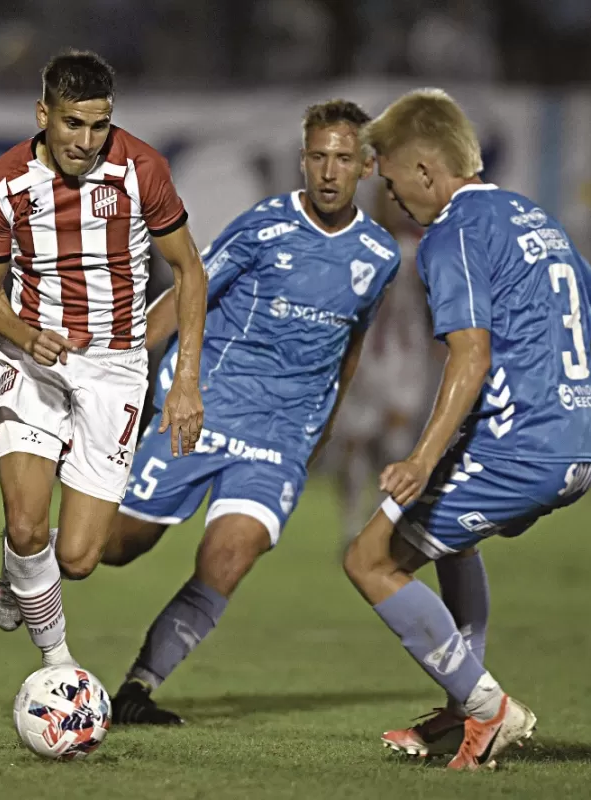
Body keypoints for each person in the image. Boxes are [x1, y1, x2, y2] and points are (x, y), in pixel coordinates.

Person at [344, 88, 591, 770]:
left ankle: (485, 705)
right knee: (453, 547)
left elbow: (471, 357)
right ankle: (462, 700)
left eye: (388, 177)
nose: (389, 193)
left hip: (520, 443)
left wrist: (419, 459)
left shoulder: (452, 235)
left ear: (424, 171)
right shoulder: (530, 215)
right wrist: (570, 398)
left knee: (370, 559)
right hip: (578, 440)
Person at [100, 99, 401, 724]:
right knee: (116, 548)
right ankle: (28, 555)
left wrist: (319, 431)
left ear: (366, 166)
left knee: (227, 558)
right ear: (302, 160)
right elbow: (190, 288)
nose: (328, 171)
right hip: (204, 411)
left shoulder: (379, 256)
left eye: (343, 159)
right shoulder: (264, 226)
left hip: (280, 438)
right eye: (318, 156)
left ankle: (137, 690)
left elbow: (349, 348)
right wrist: (125, 362)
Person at [0, 50, 206, 669]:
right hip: (34, 363)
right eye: (73, 124)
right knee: (25, 523)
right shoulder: (2, 184)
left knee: (75, 558)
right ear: (43, 114)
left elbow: (189, 273)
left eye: (99, 125)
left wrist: (185, 381)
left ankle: (19, 567)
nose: (86, 140)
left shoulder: (142, 168)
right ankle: (59, 668)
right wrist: (25, 335)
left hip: (117, 368)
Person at [331, 190, 435, 551]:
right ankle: (350, 526)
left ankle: (381, 527)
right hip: (364, 360)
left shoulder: (417, 250)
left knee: (395, 446)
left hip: (404, 361)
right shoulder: (357, 246)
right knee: (354, 445)